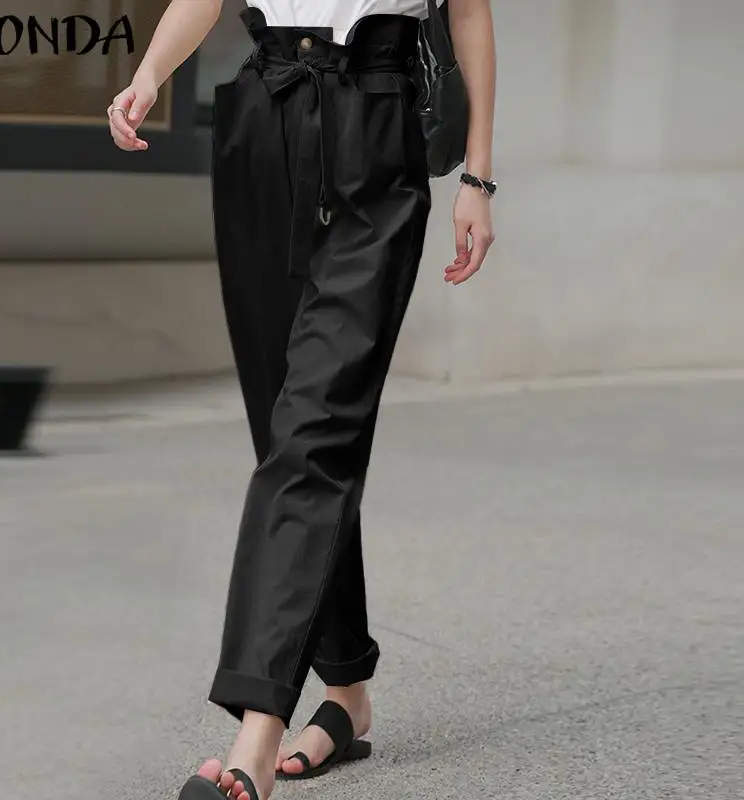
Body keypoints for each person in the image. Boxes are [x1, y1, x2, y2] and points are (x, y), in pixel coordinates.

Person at [108, 2, 496, 798]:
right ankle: (346, 688)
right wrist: (149, 74)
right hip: (262, 121)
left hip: (377, 131)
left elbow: (470, 13)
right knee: (286, 432)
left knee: (313, 432)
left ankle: (256, 732)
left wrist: (478, 177)